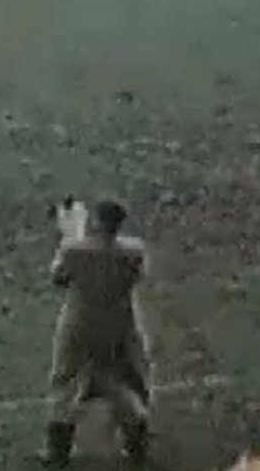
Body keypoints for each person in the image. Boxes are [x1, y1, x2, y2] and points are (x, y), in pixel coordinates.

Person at [42, 198, 152, 468]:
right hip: (118, 325)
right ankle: (136, 442)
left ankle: (58, 451)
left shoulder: (73, 250)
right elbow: (137, 275)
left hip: (79, 325)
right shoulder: (134, 251)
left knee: (66, 380)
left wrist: (70, 233)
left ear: (96, 220)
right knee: (122, 381)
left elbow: (58, 277)